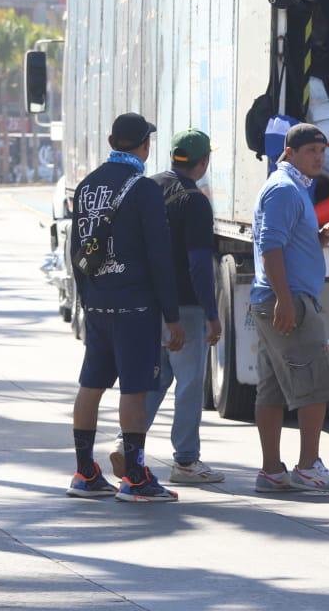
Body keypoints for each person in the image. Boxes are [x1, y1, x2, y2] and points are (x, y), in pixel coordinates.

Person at [67, 112, 186, 502]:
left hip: (98, 303)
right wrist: (172, 316)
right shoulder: (145, 189)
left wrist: (87, 300)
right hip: (135, 306)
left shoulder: (86, 186)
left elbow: (76, 252)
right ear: (145, 145)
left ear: (110, 139)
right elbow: (159, 257)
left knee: (92, 384)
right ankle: (134, 477)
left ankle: (85, 472)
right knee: (134, 390)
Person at [250, 123, 329, 494]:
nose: (319, 158)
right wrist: (283, 299)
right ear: (290, 152)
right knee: (315, 384)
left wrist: (322, 236)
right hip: (288, 300)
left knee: (274, 389)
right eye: (311, 151)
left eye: (322, 152)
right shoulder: (283, 189)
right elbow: (270, 246)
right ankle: (308, 466)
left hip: (282, 297)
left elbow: (289, 244)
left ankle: (271, 471)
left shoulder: (294, 188)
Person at [135, 130, 224, 484]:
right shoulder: (195, 201)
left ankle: (128, 445)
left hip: (147, 304)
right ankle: (186, 461)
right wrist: (212, 314)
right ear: (203, 162)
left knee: (155, 381)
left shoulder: (147, 188)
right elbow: (199, 263)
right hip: (184, 307)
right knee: (189, 385)